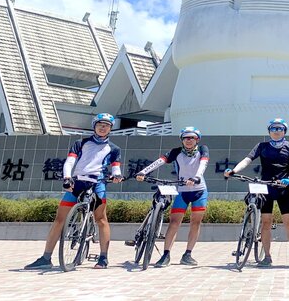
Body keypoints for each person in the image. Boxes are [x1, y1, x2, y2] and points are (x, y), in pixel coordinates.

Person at [24, 113, 123, 270]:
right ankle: (46, 258)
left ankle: (103, 258)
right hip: (77, 183)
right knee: (59, 219)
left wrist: (117, 176)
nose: (103, 127)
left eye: (106, 125)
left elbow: (116, 167)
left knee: (101, 220)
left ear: (111, 128)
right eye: (100, 124)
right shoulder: (80, 143)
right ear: (94, 126)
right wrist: (67, 178)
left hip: (98, 184)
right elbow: (70, 161)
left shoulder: (114, 149)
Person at [224, 118, 289, 268]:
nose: (277, 131)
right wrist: (234, 171)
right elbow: (247, 159)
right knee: (266, 222)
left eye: (280, 128)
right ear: (269, 131)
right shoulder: (262, 146)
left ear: (285, 131)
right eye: (273, 128)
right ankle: (267, 257)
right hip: (265, 188)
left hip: (283, 188)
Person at [134, 126, 209, 267]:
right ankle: (166, 255)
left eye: (192, 138)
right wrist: (143, 172)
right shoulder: (176, 152)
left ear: (197, 139)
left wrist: (197, 177)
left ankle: (187, 254)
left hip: (199, 191)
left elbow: (203, 163)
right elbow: (160, 161)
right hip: (182, 191)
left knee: (195, 222)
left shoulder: (202, 149)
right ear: (181, 140)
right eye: (185, 138)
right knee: (174, 222)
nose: (188, 140)